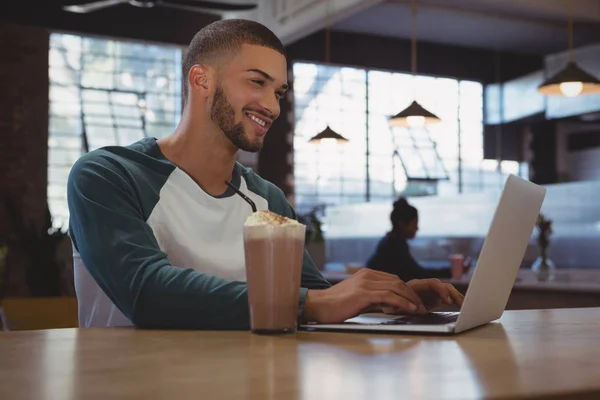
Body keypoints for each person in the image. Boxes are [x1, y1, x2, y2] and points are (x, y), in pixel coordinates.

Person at [68, 19, 464, 330]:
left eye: (279, 92)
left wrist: (387, 299)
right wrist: (315, 303)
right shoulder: (106, 176)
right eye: (257, 82)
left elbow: (312, 296)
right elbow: (145, 292)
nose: (272, 106)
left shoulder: (267, 199)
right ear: (201, 79)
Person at [366, 197, 453, 281]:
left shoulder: (390, 241)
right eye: (414, 224)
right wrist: (450, 272)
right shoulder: (394, 246)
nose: (417, 228)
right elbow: (418, 274)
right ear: (402, 224)